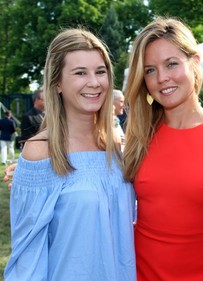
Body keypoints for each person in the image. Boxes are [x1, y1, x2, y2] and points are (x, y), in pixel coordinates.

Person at [4, 28, 136, 281]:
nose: (94, 82)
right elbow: (28, 256)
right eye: (80, 73)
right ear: (57, 83)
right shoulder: (40, 152)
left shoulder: (119, 148)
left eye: (100, 71)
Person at [123, 17, 203, 281]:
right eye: (150, 70)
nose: (162, 78)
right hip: (141, 273)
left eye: (171, 64)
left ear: (195, 63)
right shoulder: (138, 135)